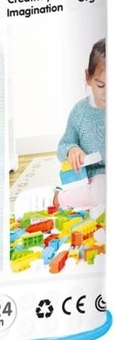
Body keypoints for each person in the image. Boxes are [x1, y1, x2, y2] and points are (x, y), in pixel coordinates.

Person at [55, 38, 106, 212]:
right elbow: (63, 145)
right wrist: (72, 150)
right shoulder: (80, 112)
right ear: (88, 77)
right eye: (101, 85)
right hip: (94, 178)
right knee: (102, 191)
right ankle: (60, 198)